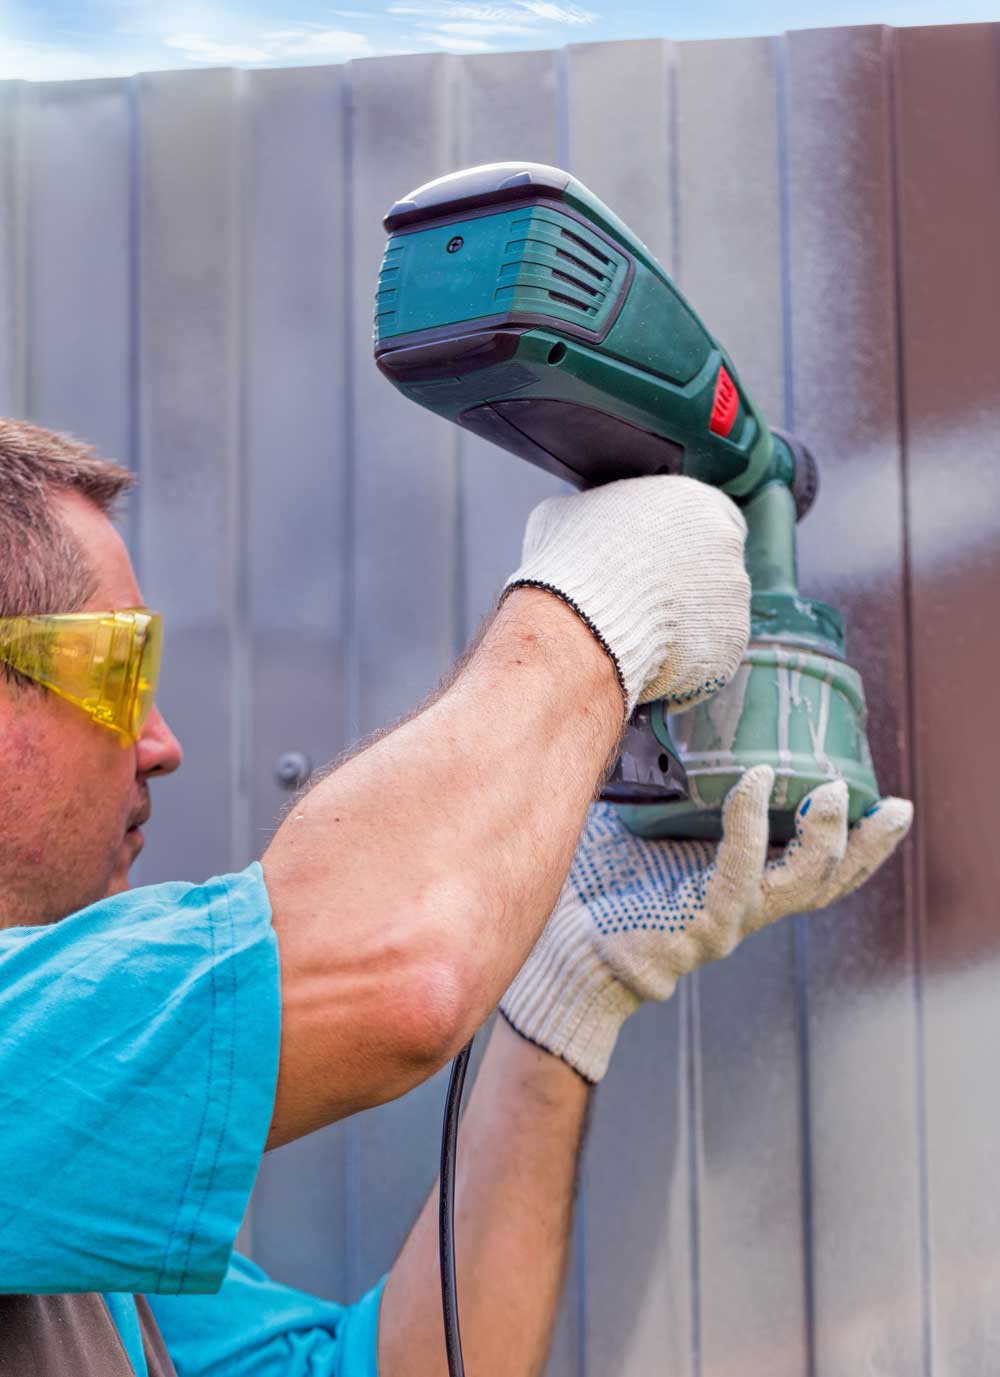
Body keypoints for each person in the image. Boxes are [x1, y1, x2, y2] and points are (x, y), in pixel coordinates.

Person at [0, 418, 911, 1377]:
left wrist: (565, 985)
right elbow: (403, 968)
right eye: (119, 669)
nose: (162, 741)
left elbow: (402, 1367)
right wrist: (599, 603)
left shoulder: (68, 1213)